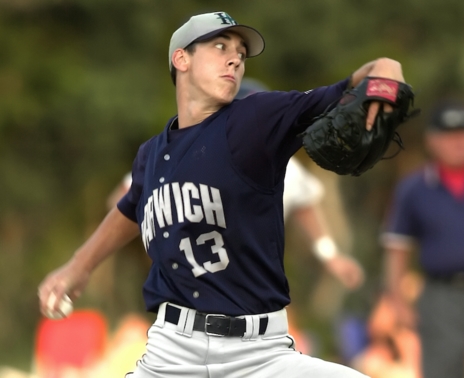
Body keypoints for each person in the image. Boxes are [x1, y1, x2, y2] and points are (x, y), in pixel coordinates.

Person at [38, 10, 407, 377]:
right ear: (181, 58)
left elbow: (347, 85)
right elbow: (131, 207)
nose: (235, 58)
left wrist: (386, 68)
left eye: (241, 54)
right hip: (172, 354)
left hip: (261, 355)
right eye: (220, 46)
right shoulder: (151, 155)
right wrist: (79, 266)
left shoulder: (254, 121)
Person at [381, 100, 464, 378]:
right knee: (441, 370)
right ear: (432, 141)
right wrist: (397, 301)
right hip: (440, 297)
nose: (459, 142)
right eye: (450, 135)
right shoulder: (413, 189)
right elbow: (397, 247)